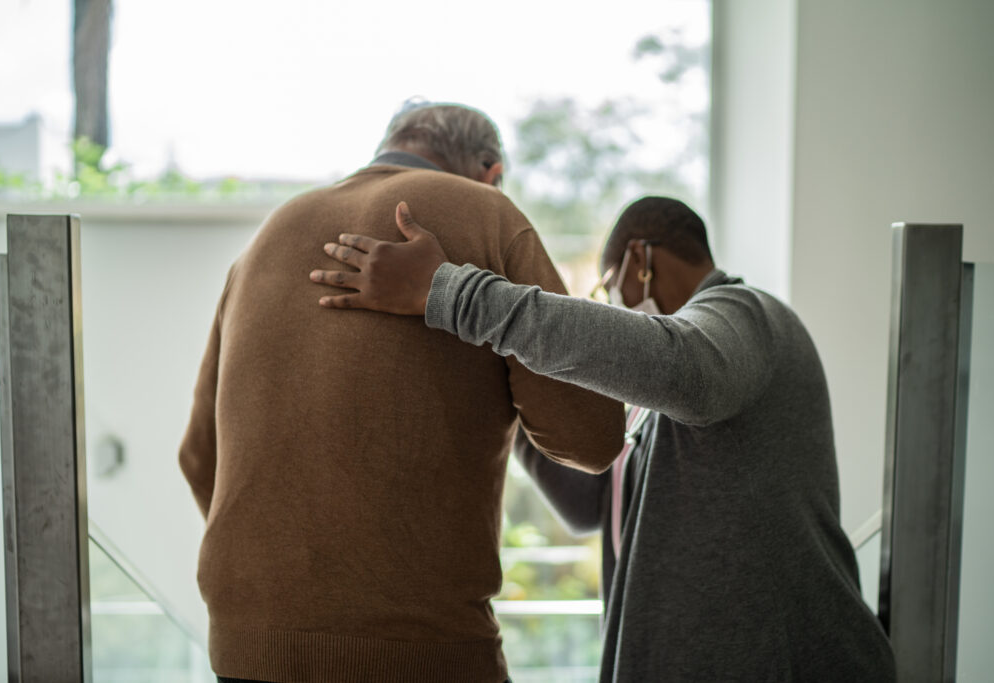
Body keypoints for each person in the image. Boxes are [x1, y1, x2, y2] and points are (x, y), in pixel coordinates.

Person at [309, 196, 897, 682]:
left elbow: (688, 373)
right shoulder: (651, 409)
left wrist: (454, 295)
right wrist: (508, 380)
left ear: (640, 257)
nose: (614, 303)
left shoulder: (745, 312)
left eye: (609, 287)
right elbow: (587, 505)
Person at [178, 101, 625, 683]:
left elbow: (197, 457)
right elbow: (590, 437)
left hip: (247, 646)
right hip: (420, 651)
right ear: (490, 170)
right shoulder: (486, 214)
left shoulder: (268, 236)